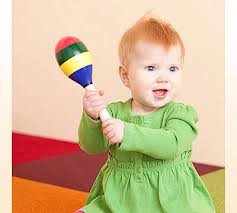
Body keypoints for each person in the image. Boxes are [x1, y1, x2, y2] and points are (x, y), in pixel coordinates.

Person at [74, 14, 216, 213]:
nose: (163, 78)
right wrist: (93, 117)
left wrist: (127, 133)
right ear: (126, 76)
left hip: (172, 200)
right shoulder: (114, 112)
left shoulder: (182, 114)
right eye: (151, 68)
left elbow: (171, 143)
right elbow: (91, 146)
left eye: (173, 68)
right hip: (120, 200)